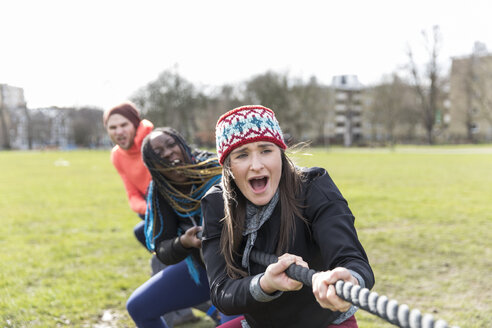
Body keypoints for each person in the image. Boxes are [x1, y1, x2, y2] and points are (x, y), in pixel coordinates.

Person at [200, 105, 375, 328]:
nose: (257, 165)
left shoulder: (313, 186)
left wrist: (348, 280)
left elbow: (353, 261)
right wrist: (265, 283)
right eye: (242, 155)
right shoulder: (217, 204)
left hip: (325, 323)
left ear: (280, 154)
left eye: (266, 150)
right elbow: (221, 291)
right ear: (229, 167)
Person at [126, 127, 238, 328]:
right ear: (153, 165)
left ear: (183, 145)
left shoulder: (217, 168)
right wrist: (183, 242)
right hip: (202, 269)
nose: (169, 153)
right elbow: (162, 249)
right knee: (138, 307)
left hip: (240, 271)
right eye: (159, 153)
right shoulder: (162, 191)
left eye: (171, 145)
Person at [104, 103, 197, 326]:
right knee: (145, 237)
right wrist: (152, 208)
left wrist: (159, 207)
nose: (118, 131)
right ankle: (185, 308)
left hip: (180, 212)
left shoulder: (155, 143)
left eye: (123, 124)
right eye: (112, 127)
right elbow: (132, 194)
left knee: (163, 262)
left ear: (135, 123)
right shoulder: (117, 156)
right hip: (152, 211)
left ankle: (188, 310)